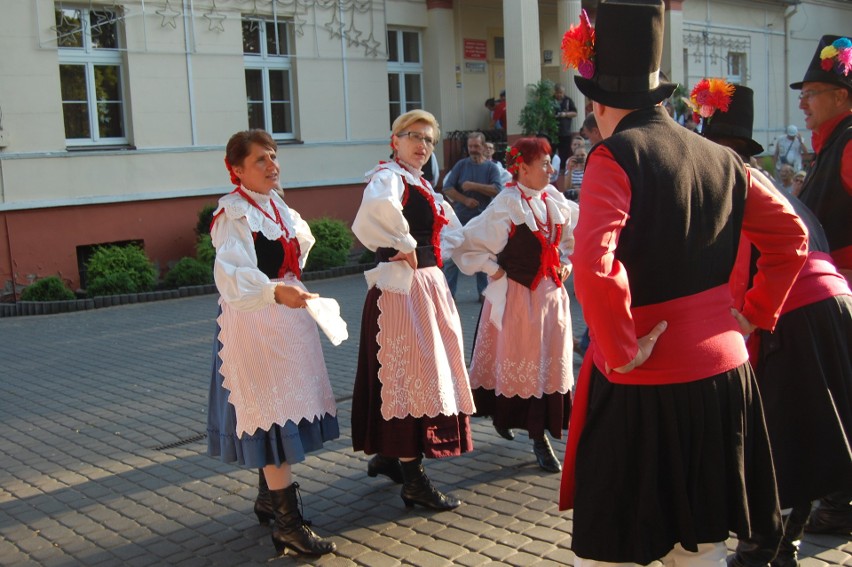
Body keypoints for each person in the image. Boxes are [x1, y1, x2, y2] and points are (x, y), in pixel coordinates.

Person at [558, 2, 808, 566]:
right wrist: (754, 315)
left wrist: (621, 350)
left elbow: (595, 268)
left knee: (611, 556)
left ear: (597, 103)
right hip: (723, 374)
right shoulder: (724, 158)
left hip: (646, 376)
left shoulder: (613, 156)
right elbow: (792, 237)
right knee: (701, 551)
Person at [701, 82, 852, 567]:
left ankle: (764, 549)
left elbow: (743, 274)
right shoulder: (757, 178)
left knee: (779, 439)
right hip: (833, 304)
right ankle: (785, 539)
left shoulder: (729, 185)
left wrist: (740, 330)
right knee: (812, 431)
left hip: (796, 311)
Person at [207, 129, 339, 557]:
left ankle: (269, 498)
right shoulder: (234, 215)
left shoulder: (277, 206)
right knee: (272, 418)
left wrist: (289, 289)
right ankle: (287, 525)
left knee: (284, 411)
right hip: (254, 326)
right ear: (237, 170)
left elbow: (291, 255)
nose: (271, 165)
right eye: (261, 160)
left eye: (273, 156)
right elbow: (231, 277)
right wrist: (273, 291)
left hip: (284, 324)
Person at [350, 109, 475, 511]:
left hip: (426, 289)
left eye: (429, 140)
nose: (422, 146)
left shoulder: (422, 185)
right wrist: (403, 242)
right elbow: (376, 212)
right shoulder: (388, 178)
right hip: (401, 294)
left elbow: (452, 236)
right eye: (414, 137)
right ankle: (413, 481)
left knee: (418, 377)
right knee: (407, 377)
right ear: (395, 140)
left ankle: (391, 456)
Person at [454, 137, 578, 473]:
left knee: (544, 367)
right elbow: (465, 243)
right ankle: (538, 438)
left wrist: (566, 261)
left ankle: (526, 426)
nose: (551, 169)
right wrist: (494, 270)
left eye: (551, 162)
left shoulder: (554, 199)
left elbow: (568, 241)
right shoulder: (507, 204)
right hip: (520, 301)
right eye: (544, 164)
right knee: (521, 363)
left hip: (551, 301)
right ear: (521, 167)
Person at [790, 33, 852, 535]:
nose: (804, 102)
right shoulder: (834, 143)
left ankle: (840, 502)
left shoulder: (850, 143)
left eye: (812, 91)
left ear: (842, 96)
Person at [441, 132, 505, 300]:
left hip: (483, 220)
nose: (473, 150)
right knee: (451, 258)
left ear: (483, 147)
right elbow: (447, 188)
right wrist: (465, 199)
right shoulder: (461, 165)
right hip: (461, 219)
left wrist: (474, 186)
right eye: (470, 146)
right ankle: (448, 295)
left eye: (476, 146)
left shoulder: (491, 168)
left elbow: (498, 190)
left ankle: (484, 295)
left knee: (484, 256)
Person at [553, 84, 579, 170]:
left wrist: (565, 114)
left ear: (563, 93)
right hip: (553, 132)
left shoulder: (568, 100)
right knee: (552, 152)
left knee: (564, 153)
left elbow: (575, 113)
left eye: (561, 93)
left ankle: (563, 169)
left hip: (565, 132)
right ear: (555, 92)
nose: (559, 95)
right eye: (558, 93)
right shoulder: (551, 100)